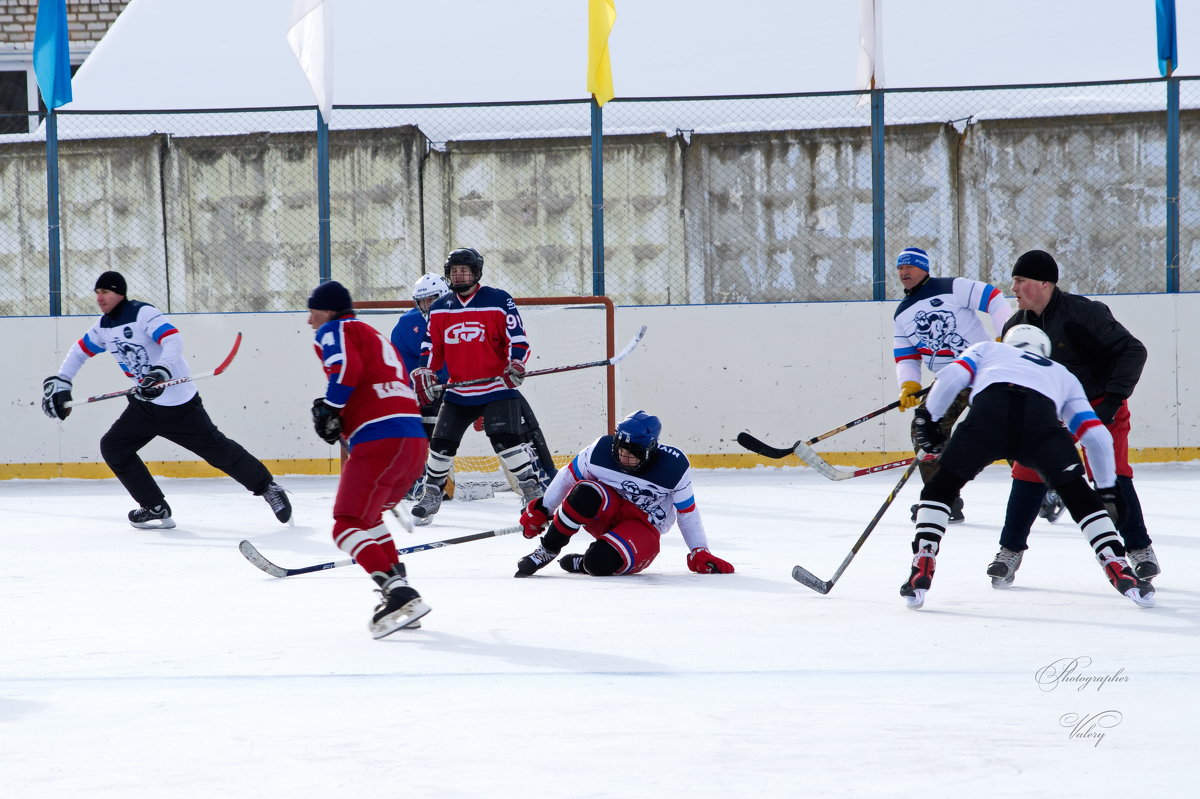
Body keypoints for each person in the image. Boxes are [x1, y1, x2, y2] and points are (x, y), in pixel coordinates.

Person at [902, 325, 1155, 610]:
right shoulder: (1062, 373)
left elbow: (951, 376)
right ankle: (1115, 561)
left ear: (1010, 342)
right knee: (1079, 495)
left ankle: (924, 555)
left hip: (989, 415)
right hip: (1040, 425)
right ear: (1045, 351)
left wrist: (929, 417)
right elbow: (1096, 435)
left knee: (942, 485)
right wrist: (1108, 489)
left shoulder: (989, 349)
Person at [41, 271, 291, 529]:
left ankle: (267, 488)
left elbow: (173, 339)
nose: (100, 298)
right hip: (145, 405)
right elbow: (79, 351)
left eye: (105, 292)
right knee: (114, 448)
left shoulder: (142, 314)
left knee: (219, 452)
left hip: (180, 406)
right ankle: (153, 506)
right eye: (97, 293)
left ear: (120, 293)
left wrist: (160, 371)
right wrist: (63, 381)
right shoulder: (103, 327)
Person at [988, 250, 1156, 588]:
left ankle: (1139, 550)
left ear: (1045, 283)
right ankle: (1009, 552)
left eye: (1020, 281)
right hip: (1049, 413)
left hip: (1097, 405)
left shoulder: (1084, 313)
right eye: (1014, 281)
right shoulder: (1016, 326)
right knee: (1027, 474)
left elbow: (1133, 351)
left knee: (1112, 475)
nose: (1014, 289)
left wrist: (1110, 403)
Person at [308, 280, 431, 637]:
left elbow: (346, 370)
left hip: (382, 440)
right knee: (369, 519)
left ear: (329, 310)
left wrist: (332, 406)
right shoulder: (372, 334)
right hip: (411, 441)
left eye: (312, 311)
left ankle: (400, 594)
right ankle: (399, 591)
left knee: (345, 524)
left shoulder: (335, 329)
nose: (309, 321)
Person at [408, 247, 548, 525]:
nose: (459, 276)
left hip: (497, 387)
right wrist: (425, 370)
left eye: (464, 270)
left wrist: (516, 363)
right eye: (454, 271)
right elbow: (432, 348)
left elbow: (517, 339)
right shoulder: (439, 308)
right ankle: (432, 492)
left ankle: (531, 491)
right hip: (459, 390)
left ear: (476, 273)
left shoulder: (498, 300)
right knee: (440, 444)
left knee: (506, 441)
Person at [514, 410, 734, 578]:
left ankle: (584, 563)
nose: (622, 457)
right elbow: (566, 477)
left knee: (597, 564)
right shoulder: (599, 450)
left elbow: (687, 513)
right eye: (620, 448)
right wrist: (544, 508)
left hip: (645, 526)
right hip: (610, 509)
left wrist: (699, 550)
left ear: (651, 449)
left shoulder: (674, 467)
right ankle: (547, 550)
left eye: (632, 453)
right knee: (585, 492)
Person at [891, 246, 1012, 524]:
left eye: (909, 266)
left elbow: (993, 298)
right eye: (900, 267)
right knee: (924, 428)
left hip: (982, 369)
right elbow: (907, 355)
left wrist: (1005, 336)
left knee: (1002, 427)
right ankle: (943, 499)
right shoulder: (902, 313)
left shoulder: (952, 287)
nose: (904, 272)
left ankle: (1042, 488)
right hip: (949, 379)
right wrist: (908, 384)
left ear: (924, 268)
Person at [391, 273, 453, 501]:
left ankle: (541, 473)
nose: (427, 305)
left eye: (433, 298)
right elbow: (402, 367)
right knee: (419, 429)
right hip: (425, 390)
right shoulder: (407, 325)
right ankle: (419, 480)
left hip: (459, 385)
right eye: (423, 300)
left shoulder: (461, 315)